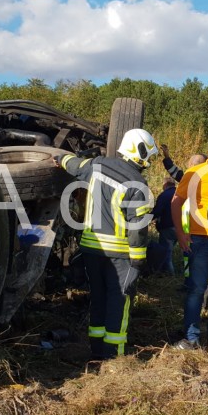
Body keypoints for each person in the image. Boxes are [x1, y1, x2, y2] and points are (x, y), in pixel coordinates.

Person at [56, 128, 158, 359]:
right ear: (139, 152)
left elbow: (74, 165)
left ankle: (95, 347)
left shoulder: (97, 165)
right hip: (119, 254)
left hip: (91, 249)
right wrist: (138, 259)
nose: (148, 162)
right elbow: (137, 227)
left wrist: (59, 158)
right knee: (119, 300)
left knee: (98, 297)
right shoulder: (137, 183)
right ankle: (114, 355)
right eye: (148, 156)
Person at [170, 136, 208, 350]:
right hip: (200, 241)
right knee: (196, 290)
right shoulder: (194, 173)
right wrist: (180, 233)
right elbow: (176, 202)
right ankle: (192, 338)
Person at [151, 177, 177, 274]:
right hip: (183, 228)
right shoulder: (181, 193)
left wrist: (145, 219)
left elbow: (157, 211)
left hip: (167, 227)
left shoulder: (164, 195)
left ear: (165, 185)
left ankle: (169, 274)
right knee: (172, 251)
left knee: (166, 254)